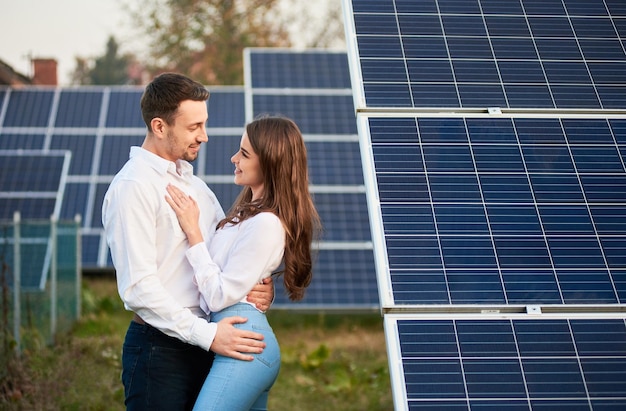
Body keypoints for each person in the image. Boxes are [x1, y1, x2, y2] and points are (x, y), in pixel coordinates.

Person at [101, 72, 275, 411]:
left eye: (204, 124)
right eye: (193, 127)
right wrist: (209, 336)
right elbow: (138, 288)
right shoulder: (132, 188)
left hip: (210, 344)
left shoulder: (198, 189)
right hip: (160, 352)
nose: (204, 137)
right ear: (160, 126)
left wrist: (255, 285)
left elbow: (219, 260)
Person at [165, 115, 322, 410]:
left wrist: (194, 232)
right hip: (236, 339)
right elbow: (232, 276)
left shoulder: (266, 224)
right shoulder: (243, 217)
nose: (234, 158)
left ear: (271, 164)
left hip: (246, 345)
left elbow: (218, 295)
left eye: (245, 154)